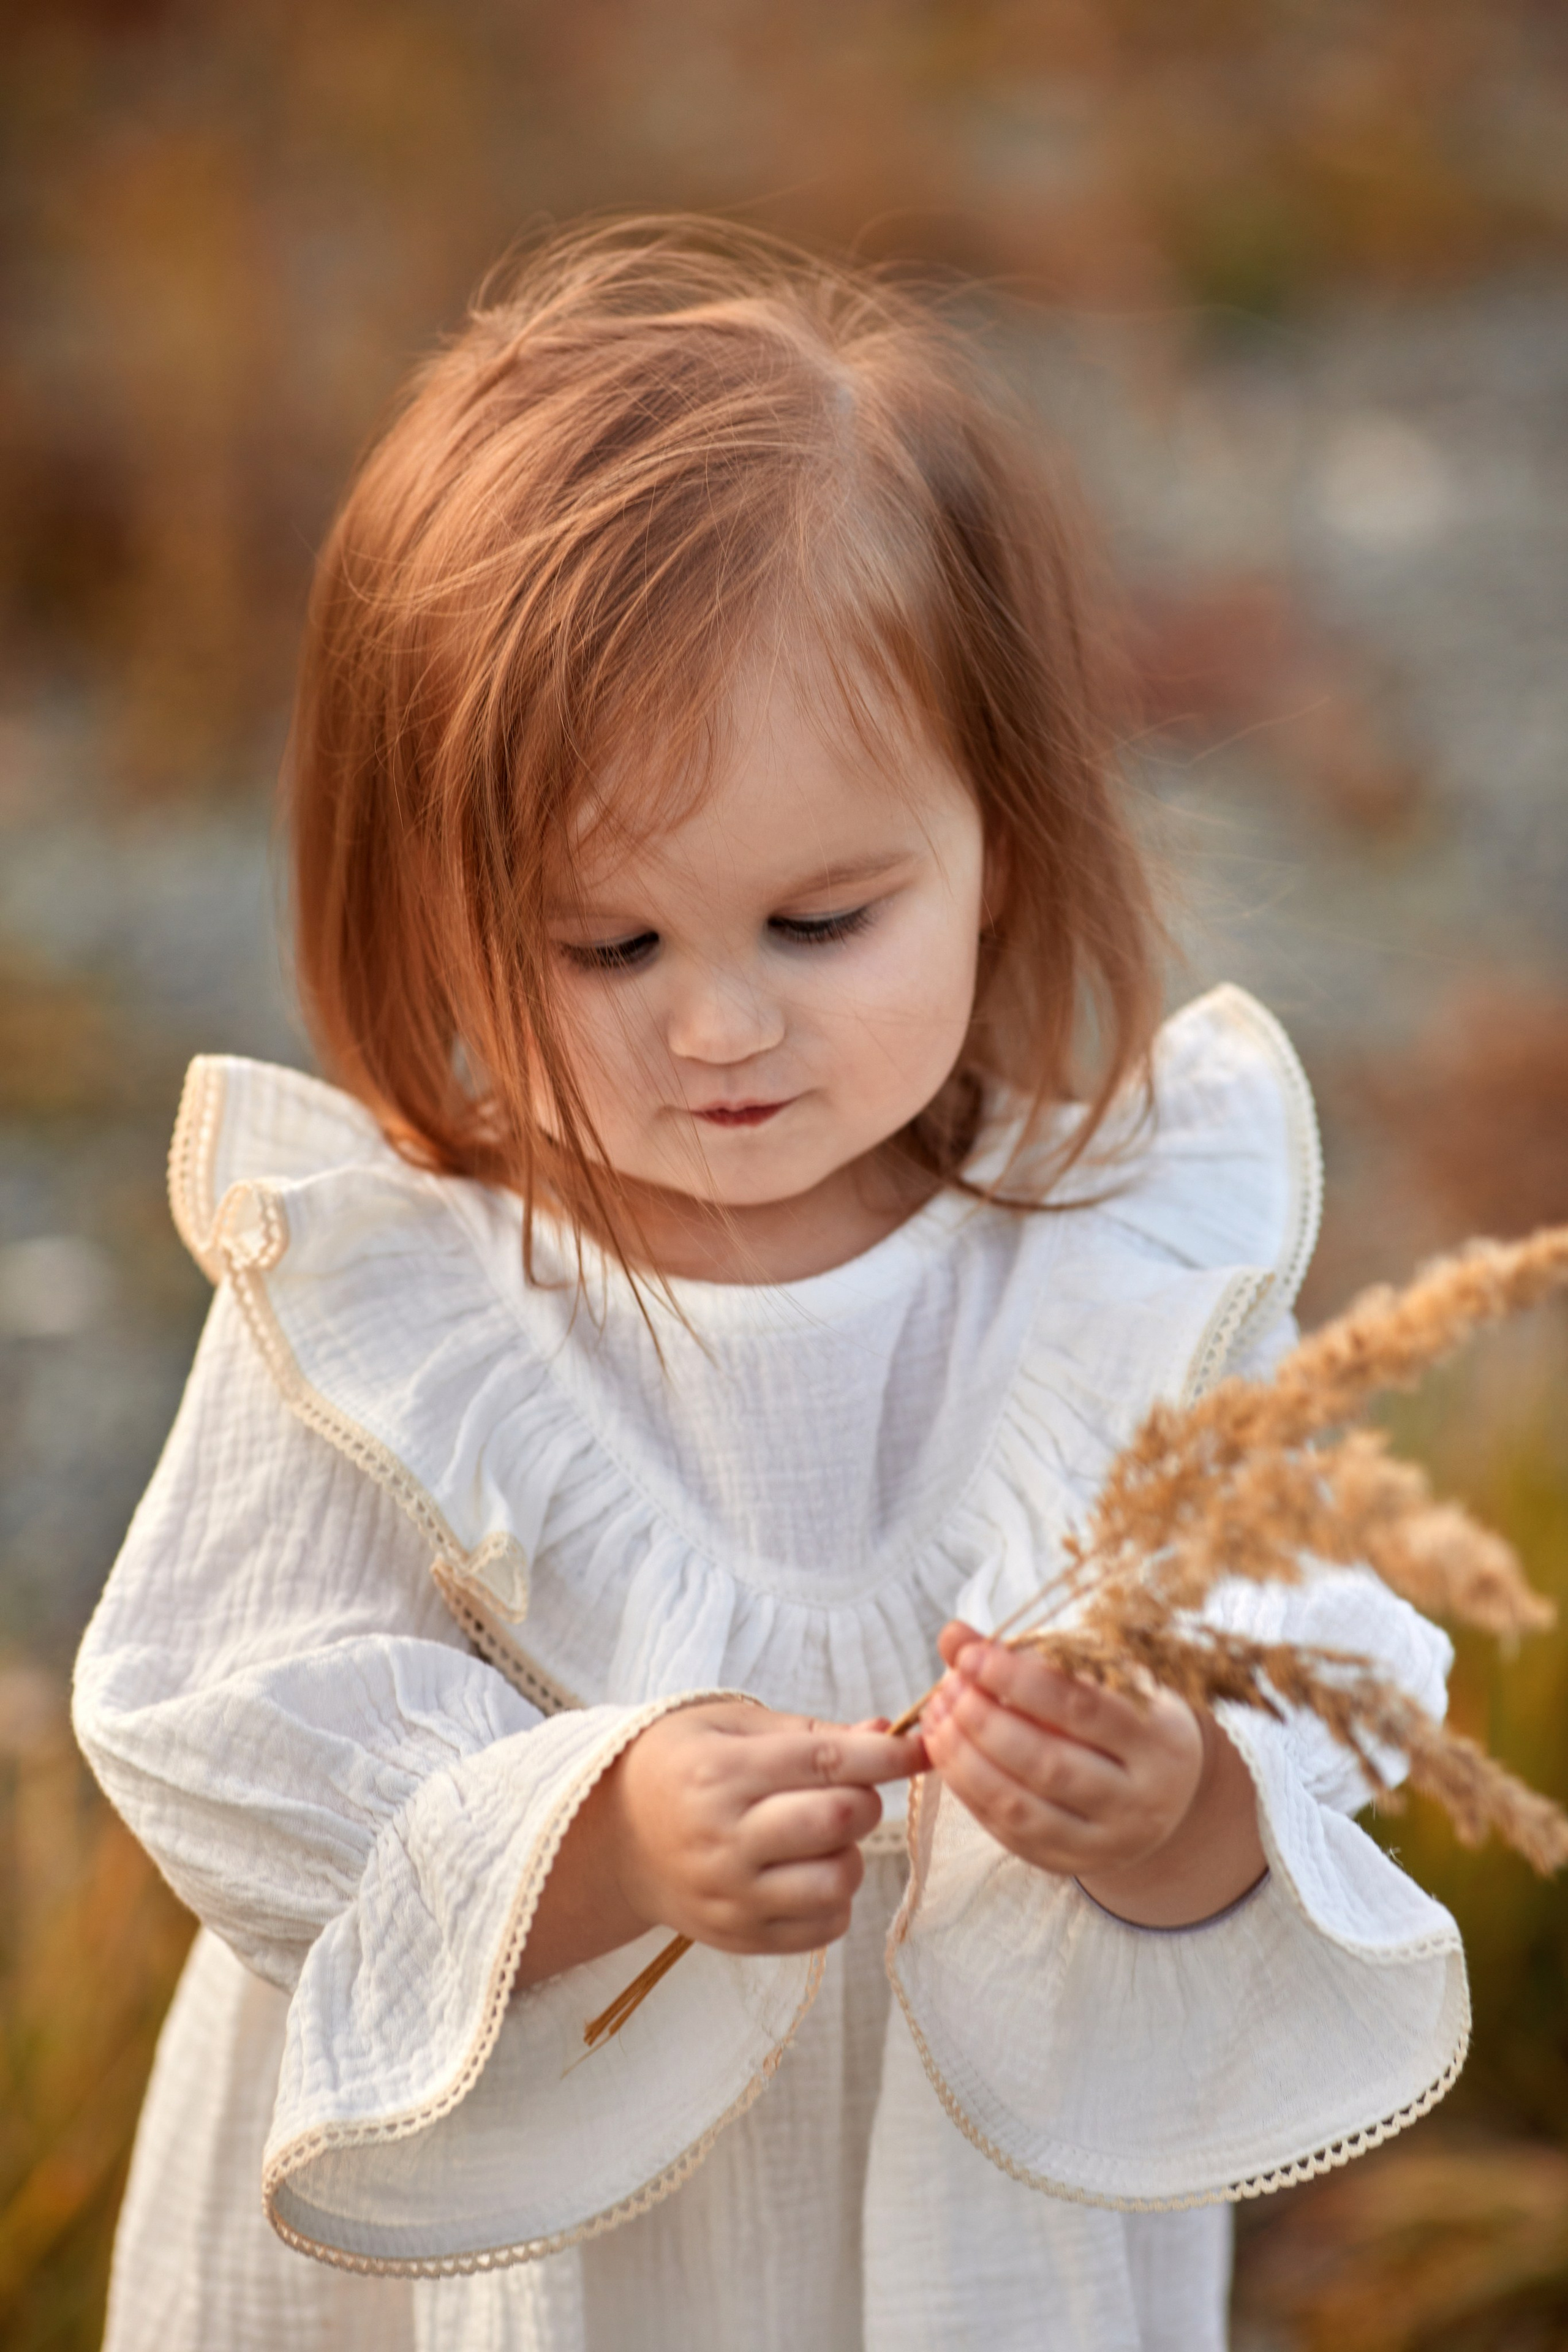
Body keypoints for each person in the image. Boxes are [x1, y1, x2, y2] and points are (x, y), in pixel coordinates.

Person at [74, 217, 1468, 2352]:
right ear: (422, 903)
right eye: (604, 948)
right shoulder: (403, 1305)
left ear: (1001, 842)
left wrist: (1170, 1803)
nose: (716, 1029)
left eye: (820, 923)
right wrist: (598, 1834)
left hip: (973, 2243)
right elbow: (223, 1729)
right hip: (539, 2243)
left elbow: (1311, 1691)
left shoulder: (1110, 1279)